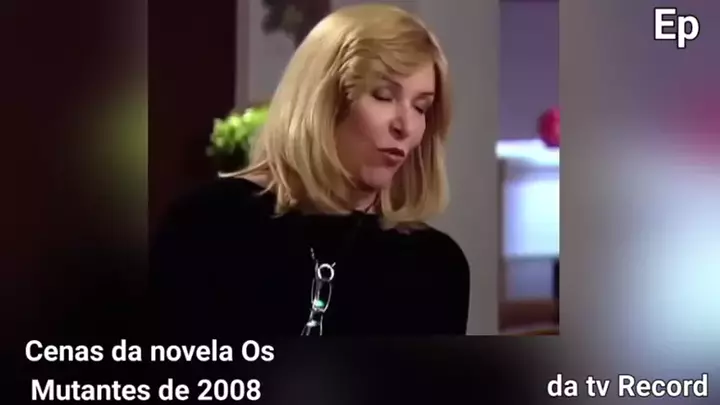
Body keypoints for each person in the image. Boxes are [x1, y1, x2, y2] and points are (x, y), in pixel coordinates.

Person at [150, 4, 470, 337]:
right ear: (324, 101)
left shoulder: (435, 266)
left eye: (421, 107)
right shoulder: (206, 227)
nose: (406, 126)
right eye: (383, 96)